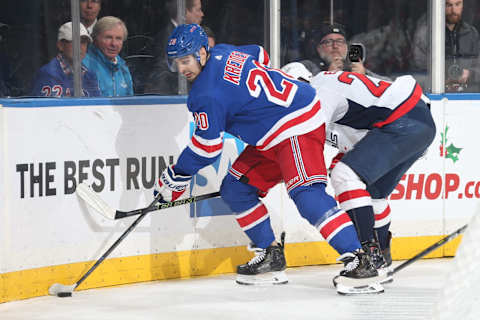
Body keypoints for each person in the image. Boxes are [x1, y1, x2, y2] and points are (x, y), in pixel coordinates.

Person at [153, 23, 387, 294]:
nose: (182, 69)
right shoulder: (226, 52)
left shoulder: (205, 95)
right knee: (236, 188)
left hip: (296, 124)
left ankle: (360, 259)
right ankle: (270, 254)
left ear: (203, 52)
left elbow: (207, 148)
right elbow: (260, 54)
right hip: (275, 130)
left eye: (186, 60)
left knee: (306, 193)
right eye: (176, 63)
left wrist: (177, 176)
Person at [280, 62, 436, 280]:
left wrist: (295, 170)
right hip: (417, 122)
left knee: (343, 174)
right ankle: (381, 254)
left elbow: (308, 136)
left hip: (401, 121)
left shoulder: (317, 92)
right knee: (373, 193)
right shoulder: (328, 86)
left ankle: (367, 256)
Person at [412, 0, 480, 92]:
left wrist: (469, 74)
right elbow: (417, 66)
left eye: (457, 4)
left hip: (467, 94)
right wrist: (440, 79)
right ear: (441, 6)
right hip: (434, 93)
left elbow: (478, 66)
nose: (453, 10)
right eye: (448, 5)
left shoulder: (472, 33)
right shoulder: (426, 34)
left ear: (463, 5)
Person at [144, 0, 204, 95]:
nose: (202, 14)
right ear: (185, 12)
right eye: (198, 10)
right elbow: (161, 75)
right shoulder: (168, 38)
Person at [30, 22, 100, 97]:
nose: (79, 47)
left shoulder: (90, 75)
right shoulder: (48, 74)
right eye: (74, 41)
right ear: (60, 45)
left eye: (83, 42)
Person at [299, 23, 388, 79]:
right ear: (319, 48)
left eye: (340, 41)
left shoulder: (355, 67)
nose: (335, 46)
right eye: (329, 42)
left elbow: (389, 85)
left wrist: (365, 79)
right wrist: (328, 77)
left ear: (346, 47)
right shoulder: (307, 67)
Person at [83, 16, 133, 96]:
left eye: (118, 38)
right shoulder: (84, 65)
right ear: (95, 39)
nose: (114, 44)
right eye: (108, 37)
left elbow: (130, 102)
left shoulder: (123, 67)